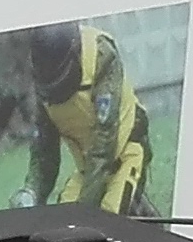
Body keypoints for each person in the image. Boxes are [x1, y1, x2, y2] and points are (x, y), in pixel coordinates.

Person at [24, 23, 152, 214]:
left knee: (108, 218)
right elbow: (45, 151)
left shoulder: (100, 55)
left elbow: (105, 141)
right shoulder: (43, 82)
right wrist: (32, 194)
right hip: (87, 168)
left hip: (127, 152)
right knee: (63, 218)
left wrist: (86, 210)